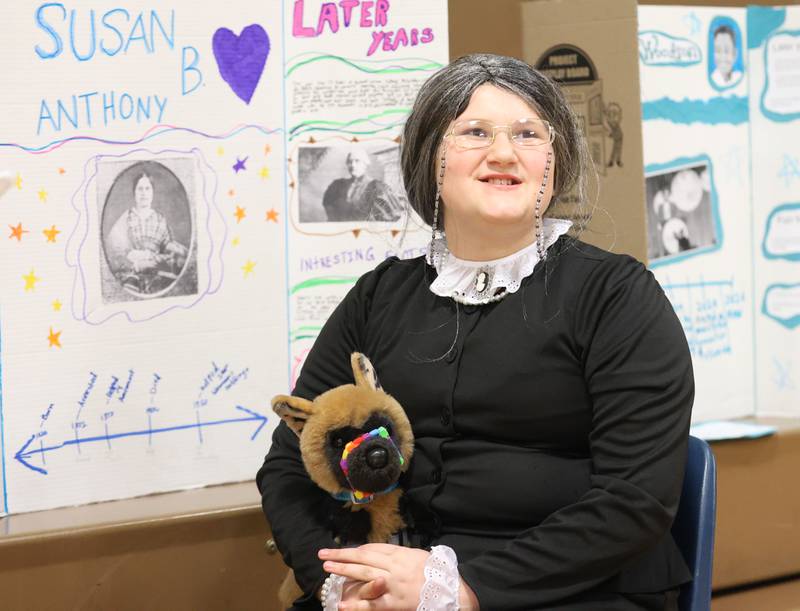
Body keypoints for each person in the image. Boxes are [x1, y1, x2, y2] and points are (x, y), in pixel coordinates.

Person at [257, 54, 693, 610]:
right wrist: (342, 579)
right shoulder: (377, 297)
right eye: (475, 132)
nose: (505, 153)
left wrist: (460, 591)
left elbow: (636, 499)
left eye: (529, 133)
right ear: (428, 158)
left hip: (577, 589)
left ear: (552, 165)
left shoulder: (618, 296)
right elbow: (292, 461)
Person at [105, 171, 188, 295]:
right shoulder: (127, 217)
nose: (144, 193)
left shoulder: (160, 219)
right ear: (134, 193)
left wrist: (153, 259)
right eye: (140, 189)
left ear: (152, 193)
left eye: (147, 189)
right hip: (132, 273)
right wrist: (137, 263)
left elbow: (168, 248)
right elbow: (115, 250)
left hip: (157, 275)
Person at [321, 148, 403, 222]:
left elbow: (390, 216)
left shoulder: (376, 187)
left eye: (357, 161)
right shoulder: (338, 185)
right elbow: (329, 208)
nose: (353, 165)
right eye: (350, 161)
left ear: (365, 164)